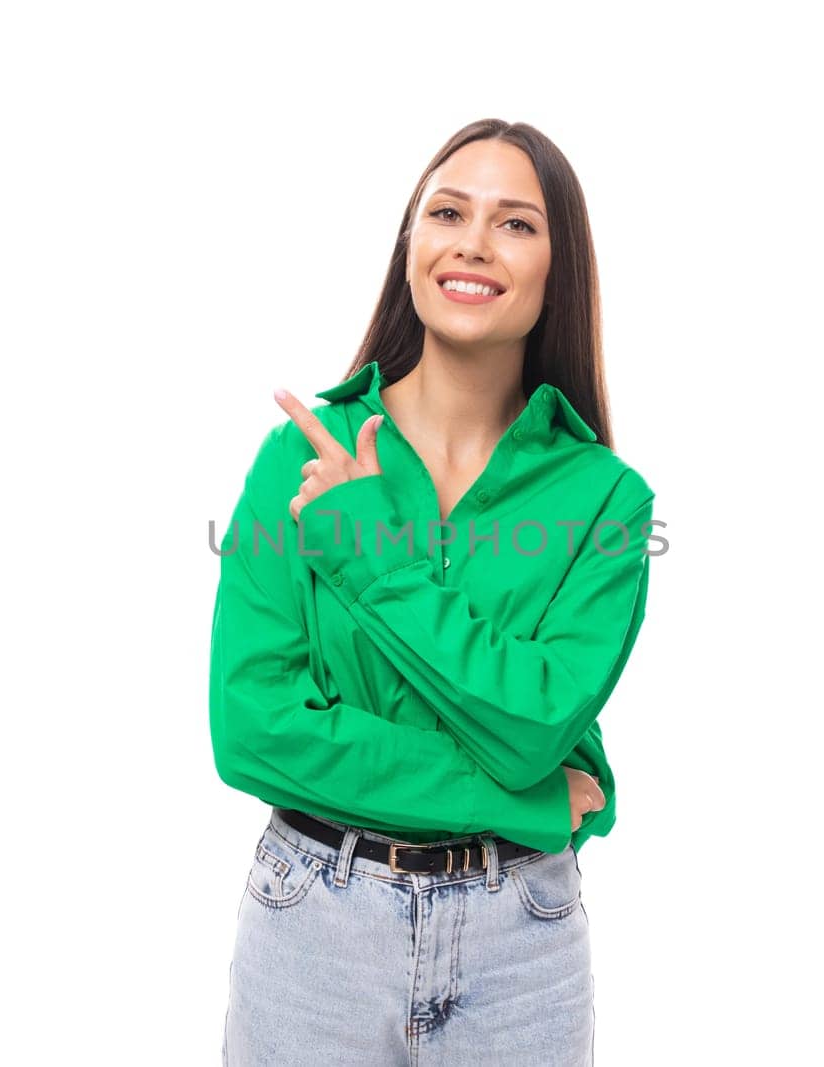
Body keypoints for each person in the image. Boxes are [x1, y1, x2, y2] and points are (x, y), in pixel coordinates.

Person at [209, 118, 658, 1065]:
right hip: (314, 929)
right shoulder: (303, 455)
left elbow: (537, 721)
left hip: (522, 945)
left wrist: (367, 554)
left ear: (558, 267)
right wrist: (528, 800)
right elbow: (253, 724)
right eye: (446, 211)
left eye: (516, 223)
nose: (472, 242)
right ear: (409, 247)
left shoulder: (607, 502)